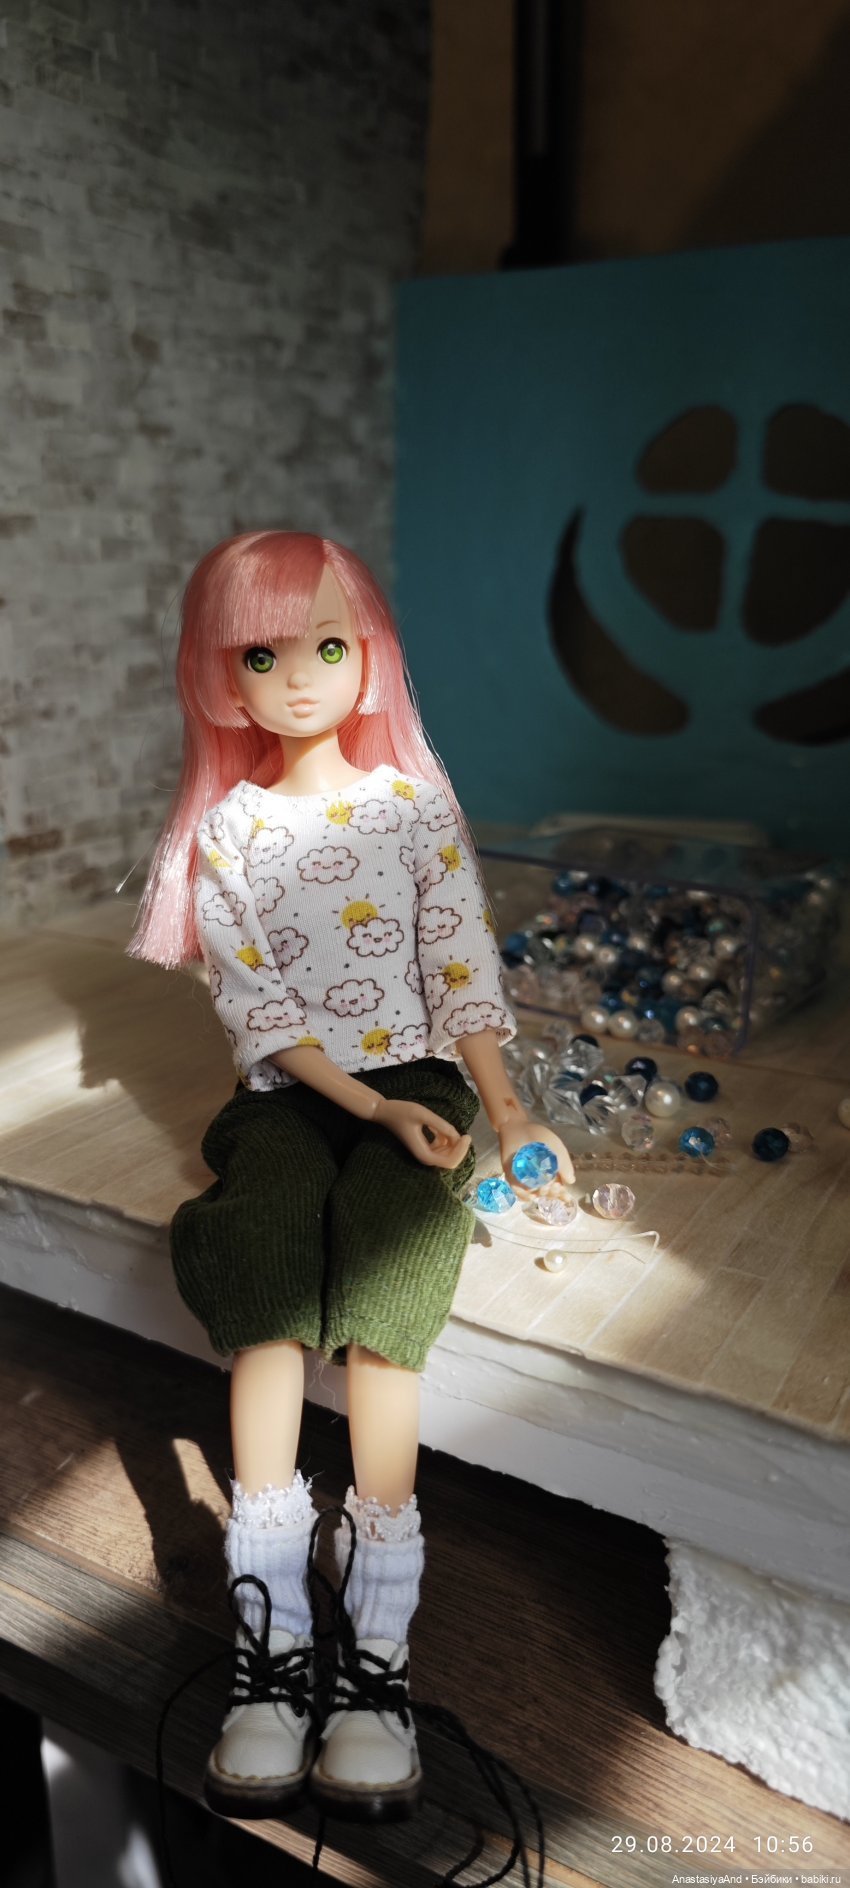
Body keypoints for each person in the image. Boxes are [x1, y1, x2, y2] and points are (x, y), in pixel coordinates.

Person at [128, 530, 573, 1823]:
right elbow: (257, 1007)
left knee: (391, 1275)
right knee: (265, 1265)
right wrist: (366, 1104)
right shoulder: (230, 830)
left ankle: (375, 1654)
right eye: (262, 655)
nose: (300, 677)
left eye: (327, 645)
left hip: (422, 1079)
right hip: (295, 1090)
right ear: (223, 676)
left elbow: (458, 963)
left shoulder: (412, 809)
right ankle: (271, 1644)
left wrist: (506, 1111)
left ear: (368, 653)